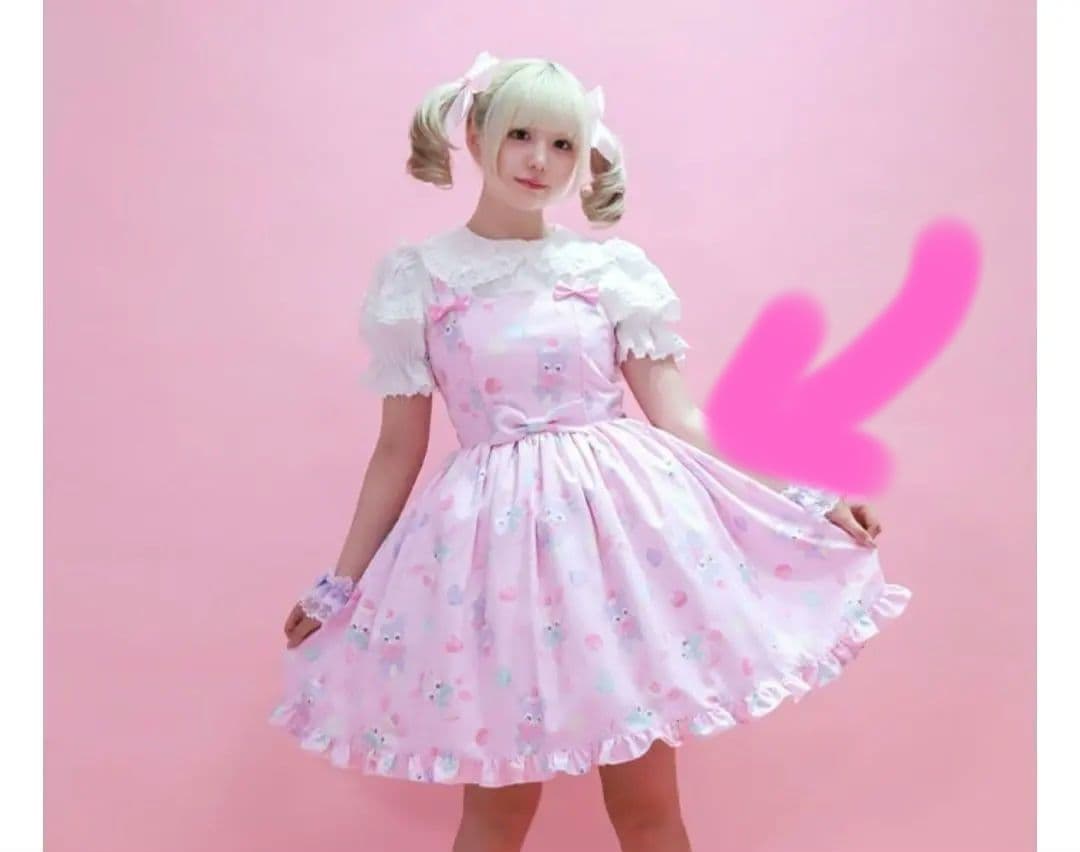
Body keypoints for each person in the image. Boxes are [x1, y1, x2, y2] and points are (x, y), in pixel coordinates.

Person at [269, 51, 912, 852]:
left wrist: (807, 498)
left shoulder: (606, 271)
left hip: (618, 553)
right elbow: (398, 449)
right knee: (496, 810)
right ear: (477, 134)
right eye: (521, 135)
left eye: (563, 144)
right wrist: (341, 582)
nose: (539, 160)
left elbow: (680, 418)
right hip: (492, 563)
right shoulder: (420, 279)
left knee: (646, 807)